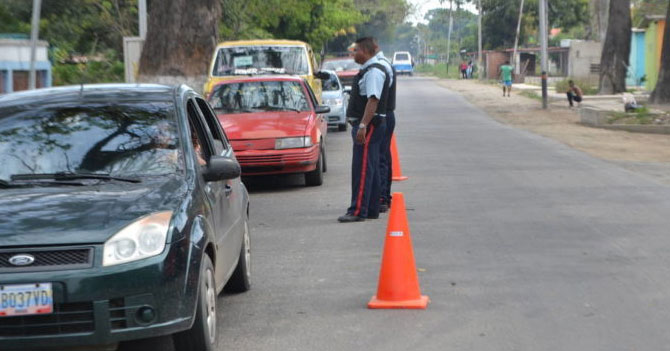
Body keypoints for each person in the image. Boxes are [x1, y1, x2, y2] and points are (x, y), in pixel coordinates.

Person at [337, 37, 390, 223]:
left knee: (363, 169)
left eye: (356, 50)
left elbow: (373, 100)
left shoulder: (374, 71)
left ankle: (358, 210)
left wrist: (363, 125)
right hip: (371, 125)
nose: (354, 54)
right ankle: (371, 208)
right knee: (371, 167)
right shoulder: (369, 69)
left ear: (366, 51)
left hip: (369, 125)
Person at [373, 42, 396, 214]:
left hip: (383, 114)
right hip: (386, 114)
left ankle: (382, 197)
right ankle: (384, 196)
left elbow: (375, 97)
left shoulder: (379, 67)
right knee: (384, 156)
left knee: (380, 157)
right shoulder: (385, 64)